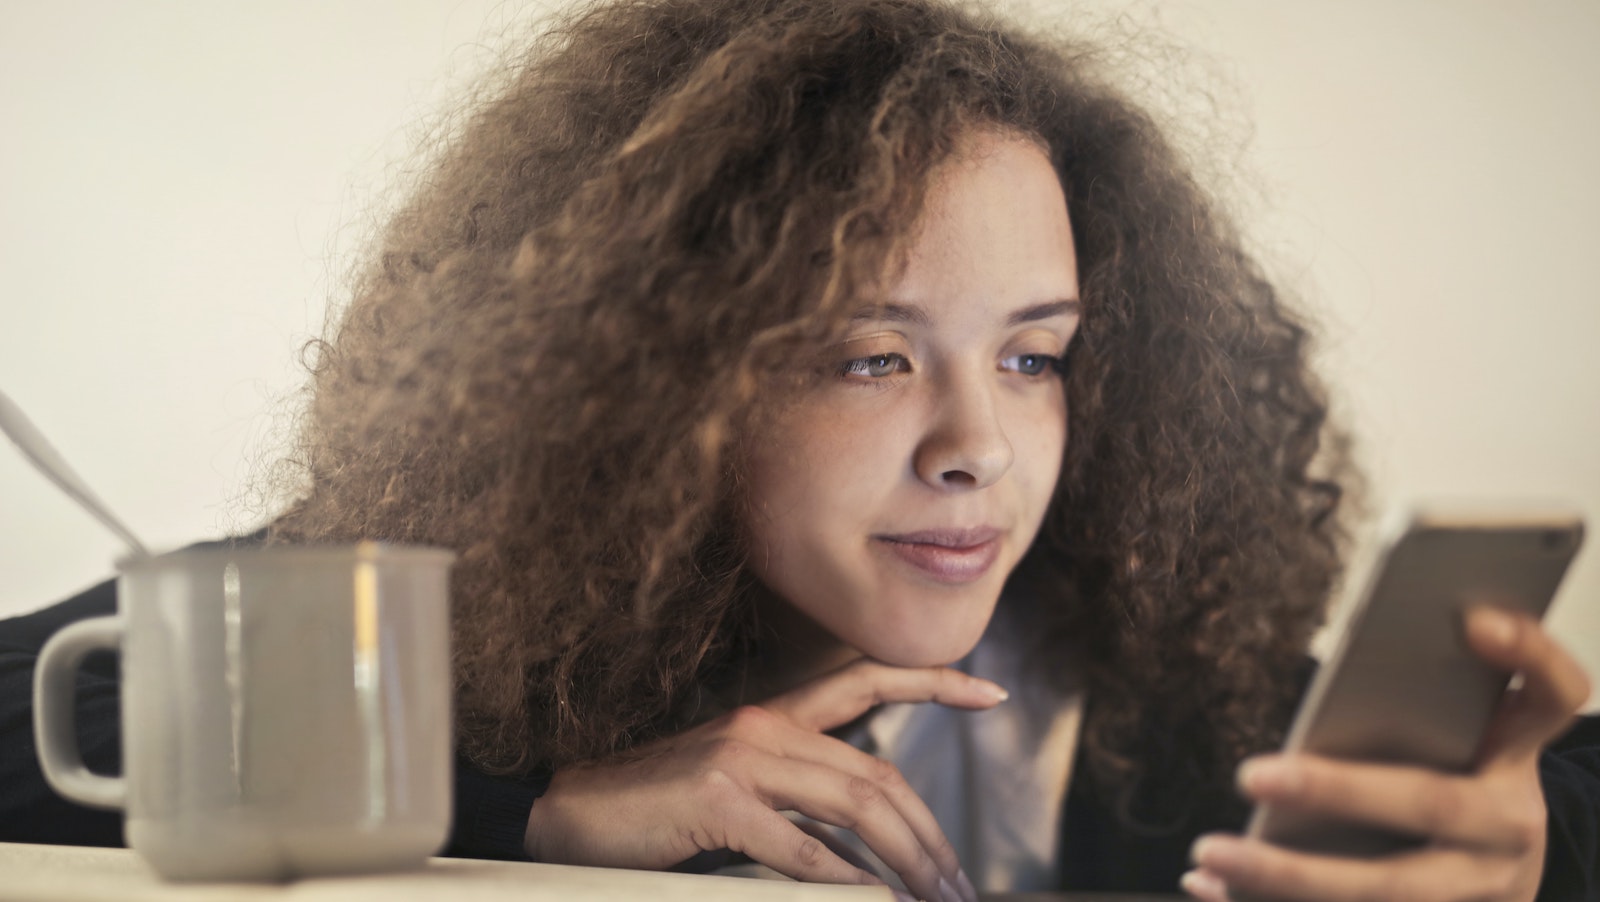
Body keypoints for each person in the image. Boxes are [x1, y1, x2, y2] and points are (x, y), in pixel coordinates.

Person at [1, 0, 1596, 899]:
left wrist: (1534, 851)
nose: (980, 445)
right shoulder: (412, 629)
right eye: (869, 355)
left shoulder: (1134, 666)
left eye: (1036, 356)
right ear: (651, 380)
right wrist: (537, 809)